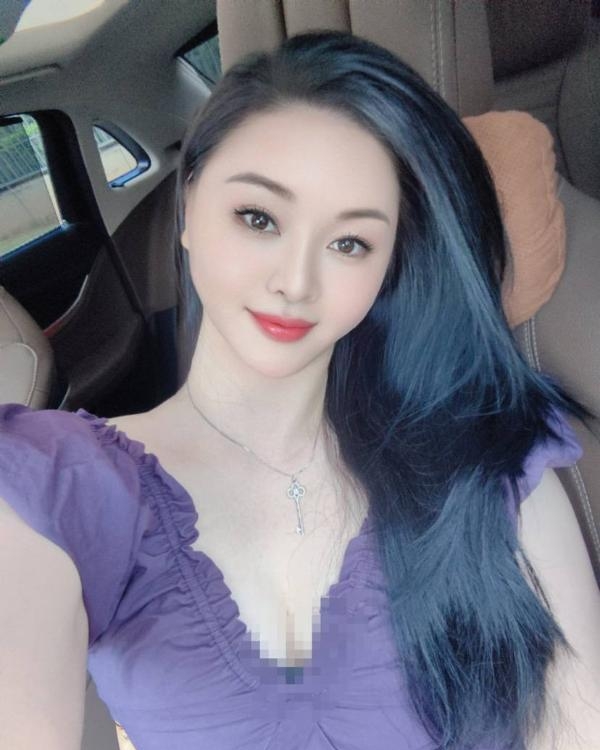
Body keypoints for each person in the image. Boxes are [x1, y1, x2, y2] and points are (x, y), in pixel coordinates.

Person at [1, 30, 599, 750]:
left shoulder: (489, 454)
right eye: (258, 218)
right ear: (188, 211)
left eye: (350, 243)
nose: (295, 281)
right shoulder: (58, 481)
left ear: (388, 265)